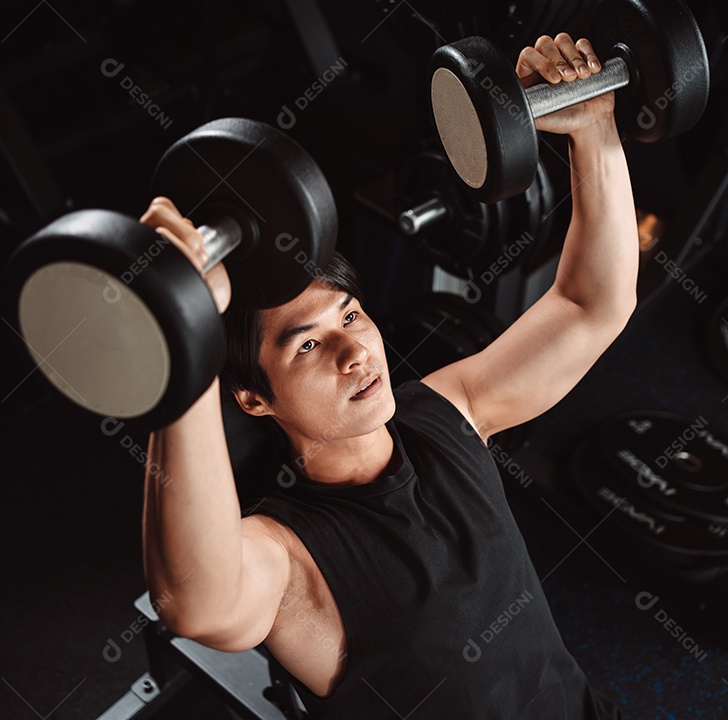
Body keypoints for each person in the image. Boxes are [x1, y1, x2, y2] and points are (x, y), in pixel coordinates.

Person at [139, 32, 636, 719]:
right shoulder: (292, 561)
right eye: (307, 347)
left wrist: (593, 130)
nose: (354, 352)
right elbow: (195, 602)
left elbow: (590, 305)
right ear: (254, 398)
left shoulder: (445, 413)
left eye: (350, 316)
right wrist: (182, 335)